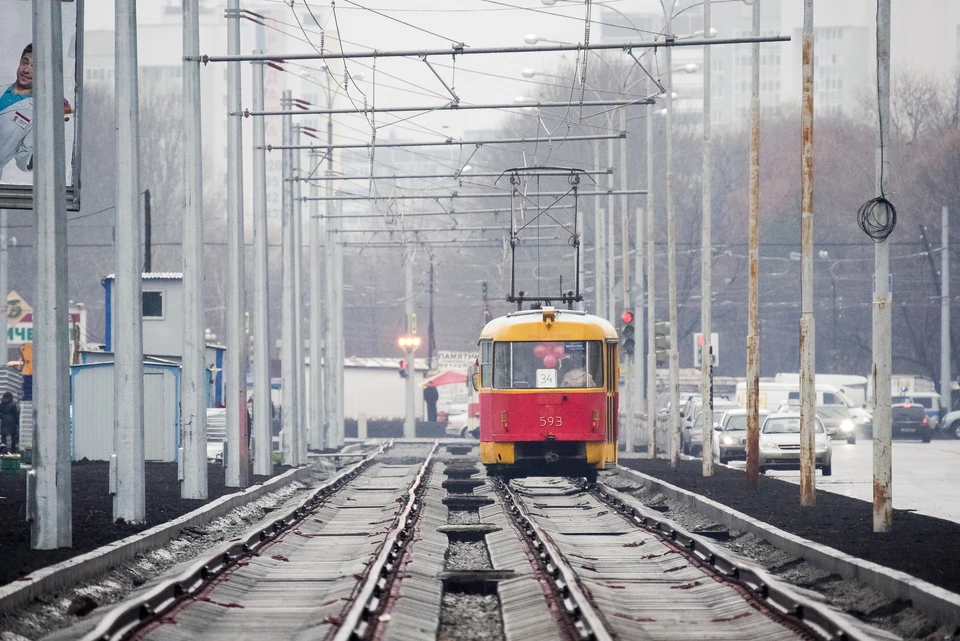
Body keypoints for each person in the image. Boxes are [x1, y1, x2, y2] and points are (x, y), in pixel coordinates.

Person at [0, 44, 34, 177]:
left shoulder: (36, 113)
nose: (26, 70)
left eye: (35, 67)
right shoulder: (2, 87)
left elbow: (24, 159)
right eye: (25, 62)